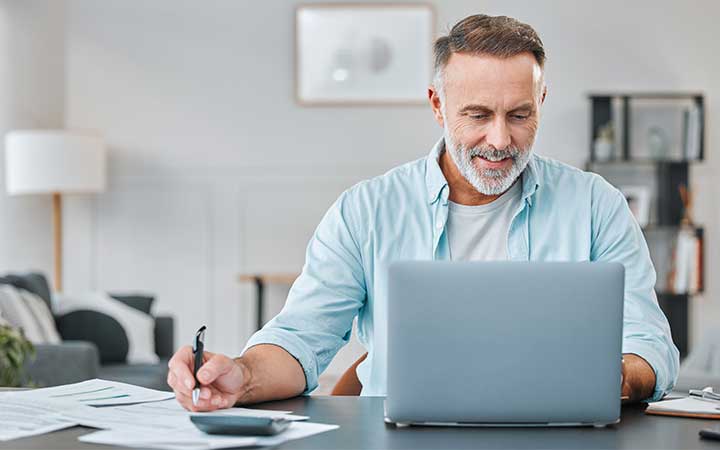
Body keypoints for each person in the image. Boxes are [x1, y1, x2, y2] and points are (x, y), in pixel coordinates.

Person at [168, 14, 680, 412]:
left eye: (520, 115)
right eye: (477, 115)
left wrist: (616, 376)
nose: (500, 139)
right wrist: (242, 375)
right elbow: (300, 339)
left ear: (541, 101)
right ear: (438, 106)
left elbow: (649, 344)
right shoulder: (365, 211)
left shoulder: (596, 206)